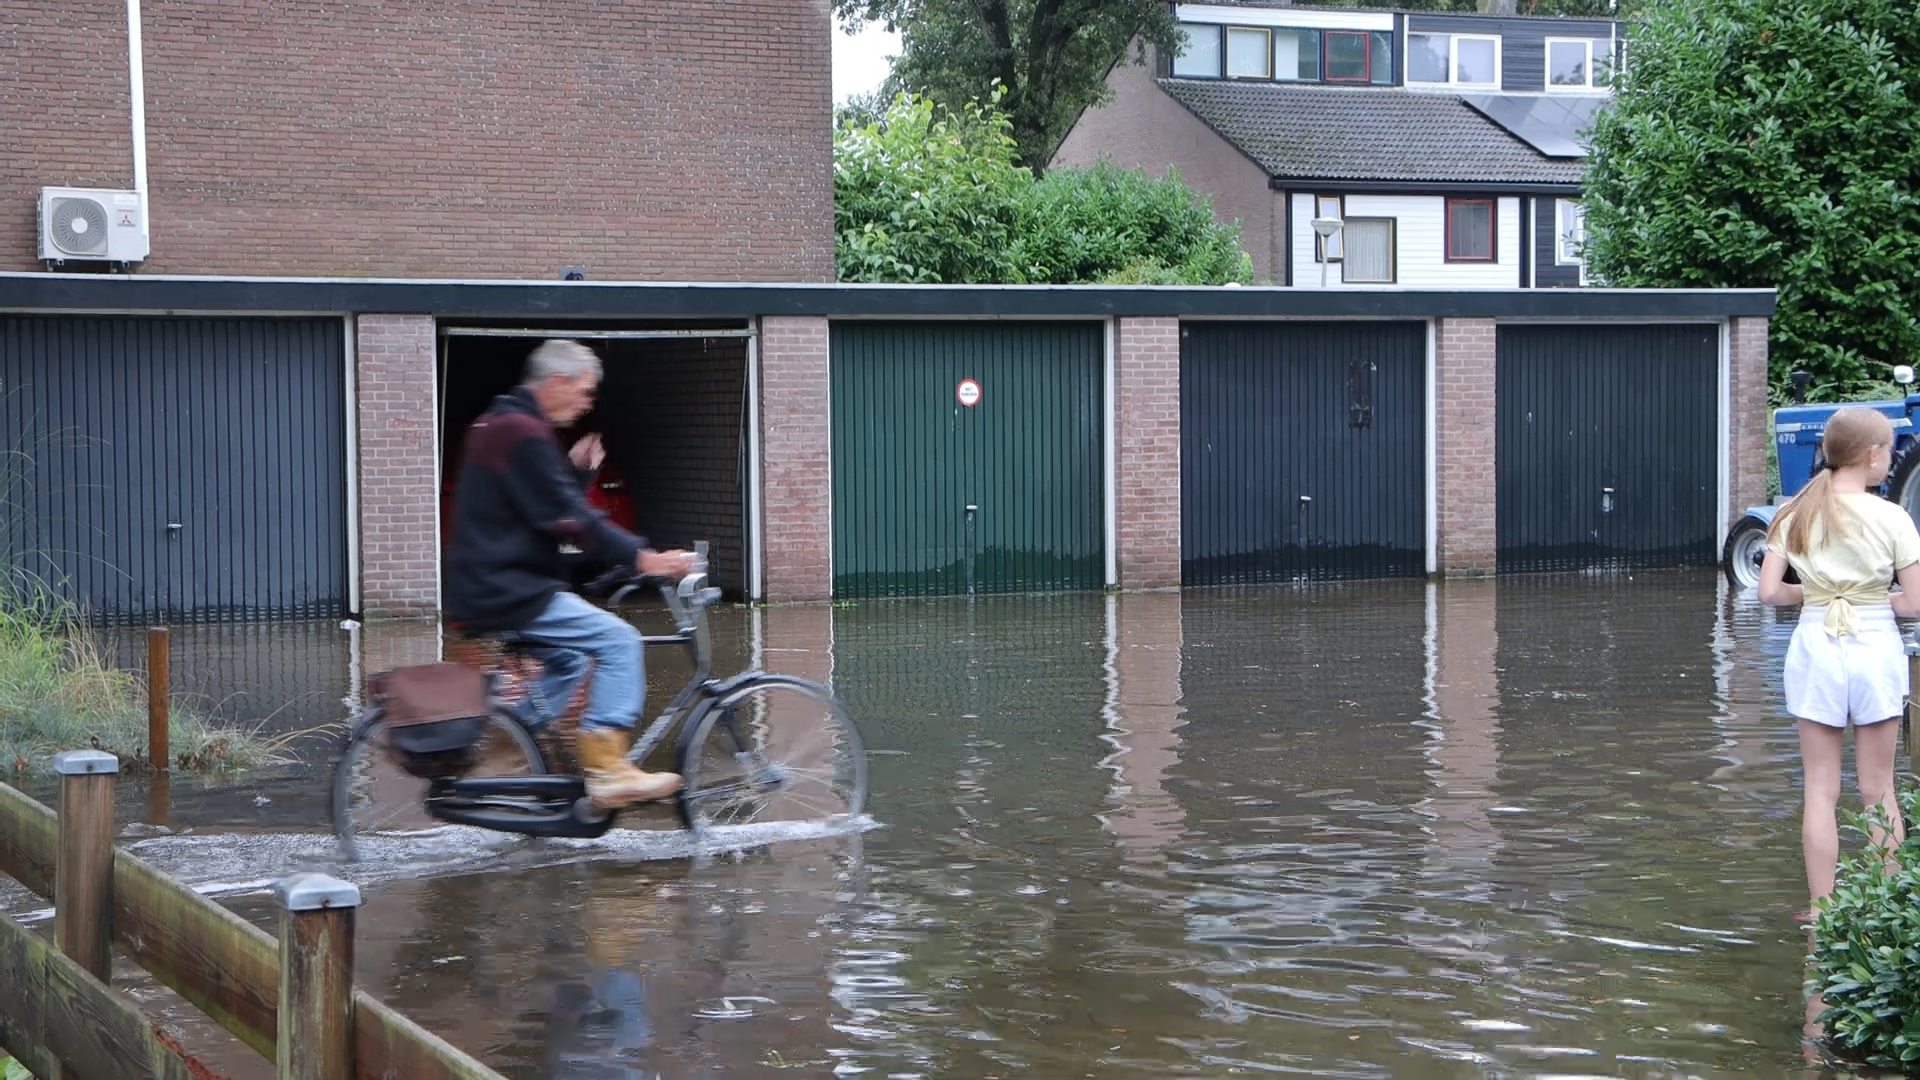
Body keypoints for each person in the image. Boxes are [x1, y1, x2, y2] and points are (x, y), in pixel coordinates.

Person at [444, 338, 695, 806]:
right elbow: (572, 519)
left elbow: (539, 505)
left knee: (571, 659)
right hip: (509, 589)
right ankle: (606, 770)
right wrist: (644, 559)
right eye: (584, 391)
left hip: (492, 585)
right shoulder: (520, 431)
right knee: (619, 641)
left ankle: (508, 740)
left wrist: (575, 473)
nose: (588, 403)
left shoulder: (505, 424)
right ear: (557, 381)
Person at [1757, 407, 1920, 919]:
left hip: (1816, 646)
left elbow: (1767, 594)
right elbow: (1915, 602)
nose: (1890, 458)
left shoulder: (1795, 512)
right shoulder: (1893, 516)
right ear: (1872, 455)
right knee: (1878, 787)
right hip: (1874, 645)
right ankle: (1888, 904)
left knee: (1820, 788)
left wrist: (1819, 595)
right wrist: (1872, 601)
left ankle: (1821, 907)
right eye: (1889, 450)